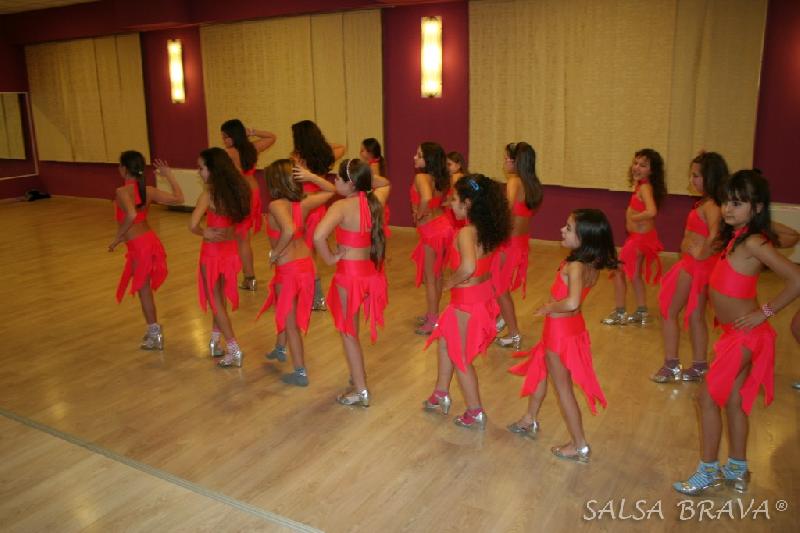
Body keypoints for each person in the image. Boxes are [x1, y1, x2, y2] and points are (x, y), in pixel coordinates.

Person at [673, 170, 800, 495]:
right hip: (735, 334)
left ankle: (708, 471)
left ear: (756, 208)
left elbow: (796, 278)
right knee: (733, 400)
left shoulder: (755, 241)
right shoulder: (737, 238)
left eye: (738, 203)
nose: (728, 208)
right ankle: (738, 469)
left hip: (747, 336)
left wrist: (764, 313)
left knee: (705, 398)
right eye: (727, 201)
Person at [508, 209, 618, 462]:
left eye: (568, 228)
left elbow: (572, 302)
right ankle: (529, 418)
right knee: (540, 368)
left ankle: (579, 445)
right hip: (570, 329)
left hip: (560, 331)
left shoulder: (575, 266)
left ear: (584, 238)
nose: (562, 230)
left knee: (564, 390)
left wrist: (549, 307)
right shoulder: (590, 264)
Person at [423, 174, 511, 429]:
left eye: (454, 199)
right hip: (478, 299)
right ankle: (441, 393)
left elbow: (469, 267)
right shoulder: (487, 230)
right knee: (444, 341)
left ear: (468, 203)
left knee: (459, 355)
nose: (450, 203)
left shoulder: (466, 233)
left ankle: (475, 411)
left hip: (466, 302)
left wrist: (449, 282)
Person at [313, 159, 390, 406]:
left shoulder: (341, 207)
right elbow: (385, 183)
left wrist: (329, 258)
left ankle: (361, 390)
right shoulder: (374, 201)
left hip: (349, 277)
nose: (334, 180)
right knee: (351, 332)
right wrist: (364, 177)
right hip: (369, 275)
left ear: (351, 183)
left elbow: (318, 236)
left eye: (338, 177)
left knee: (348, 333)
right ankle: (357, 377)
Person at [256, 159, 335, 386]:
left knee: (290, 321)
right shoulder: (304, 203)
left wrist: (275, 253)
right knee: (284, 307)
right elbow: (331, 190)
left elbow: (289, 229)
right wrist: (312, 177)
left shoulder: (276, 206)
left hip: (288, 269)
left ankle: (300, 372)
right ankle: (280, 347)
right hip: (306, 266)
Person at [653, 152, 727, 382]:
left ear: (710, 177)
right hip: (695, 266)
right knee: (695, 316)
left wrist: (701, 253)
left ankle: (671, 364)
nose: (691, 180)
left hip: (695, 268)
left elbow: (717, 235)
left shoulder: (712, 205)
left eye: (696, 175)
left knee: (669, 311)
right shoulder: (708, 202)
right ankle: (699, 366)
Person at [109, 151, 184, 349]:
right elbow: (179, 198)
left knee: (144, 292)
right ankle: (153, 331)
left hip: (139, 246)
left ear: (124, 169)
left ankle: (154, 334)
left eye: (119, 165)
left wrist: (117, 238)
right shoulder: (147, 190)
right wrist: (169, 175)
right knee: (145, 290)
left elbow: (131, 215)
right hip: (149, 241)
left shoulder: (122, 191)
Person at [190, 147, 251, 368]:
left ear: (213, 169)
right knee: (219, 298)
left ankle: (234, 348)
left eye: (201, 168)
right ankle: (215, 340)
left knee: (215, 301)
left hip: (213, 253)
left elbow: (192, 225)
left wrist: (202, 232)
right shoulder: (236, 191)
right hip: (230, 252)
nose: (199, 172)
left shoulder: (209, 195)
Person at [602, 148, 667, 326]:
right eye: (636, 163)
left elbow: (651, 211)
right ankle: (641, 312)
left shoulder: (645, 187)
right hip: (640, 238)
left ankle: (620, 313)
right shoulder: (642, 185)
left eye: (643, 165)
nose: (637, 167)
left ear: (652, 171)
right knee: (635, 275)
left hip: (639, 240)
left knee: (617, 271)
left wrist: (634, 217)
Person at [291, 119, 345, 311]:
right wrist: (320, 144)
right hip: (320, 206)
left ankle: (317, 297)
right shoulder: (325, 155)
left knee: (307, 254)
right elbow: (342, 147)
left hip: (305, 206)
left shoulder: (297, 158)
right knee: (310, 253)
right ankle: (313, 294)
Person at [495, 142, 543, 349]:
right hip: (520, 243)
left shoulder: (514, 182)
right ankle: (501, 319)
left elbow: (506, 214)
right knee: (499, 286)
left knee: (499, 288)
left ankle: (514, 333)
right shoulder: (530, 184)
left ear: (516, 162)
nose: (504, 161)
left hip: (509, 243)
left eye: (507, 158)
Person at [220, 119, 276, 291]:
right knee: (242, 238)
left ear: (234, 135)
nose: (224, 140)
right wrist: (252, 132)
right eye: (223, 137)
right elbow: (271, 137)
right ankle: (246, 277)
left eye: (227, 137)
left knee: (241, 239)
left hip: (240, 195)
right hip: (253, 192)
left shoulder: (228, 153)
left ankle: (248, 277)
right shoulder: (251, 149)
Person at [410, 142, 455, 334]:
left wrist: (419, 215)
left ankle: (433, 320)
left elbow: (427, 199)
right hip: (444, 226)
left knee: (430, 277)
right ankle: (433, 313)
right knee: (437, 275)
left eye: (419, 155)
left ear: (428, 160)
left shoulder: (421, 177)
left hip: (432, 231)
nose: (415, 157)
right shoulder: (438, 177)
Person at [360, 137, 392, 236]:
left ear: (370, 153)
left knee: (373, 232)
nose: (360, 152)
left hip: (374, 203)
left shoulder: (373, 166)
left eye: (362, 150)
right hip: (374, 202)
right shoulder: (373, 164)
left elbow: (372, 185)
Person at [442, 151, 469, 231]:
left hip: (454, 212)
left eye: (449, 164)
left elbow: (453, 196)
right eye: (446, 165)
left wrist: (446, 203)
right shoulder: (464, 176)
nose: (447, 168)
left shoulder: (455, 177)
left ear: (458, 165)